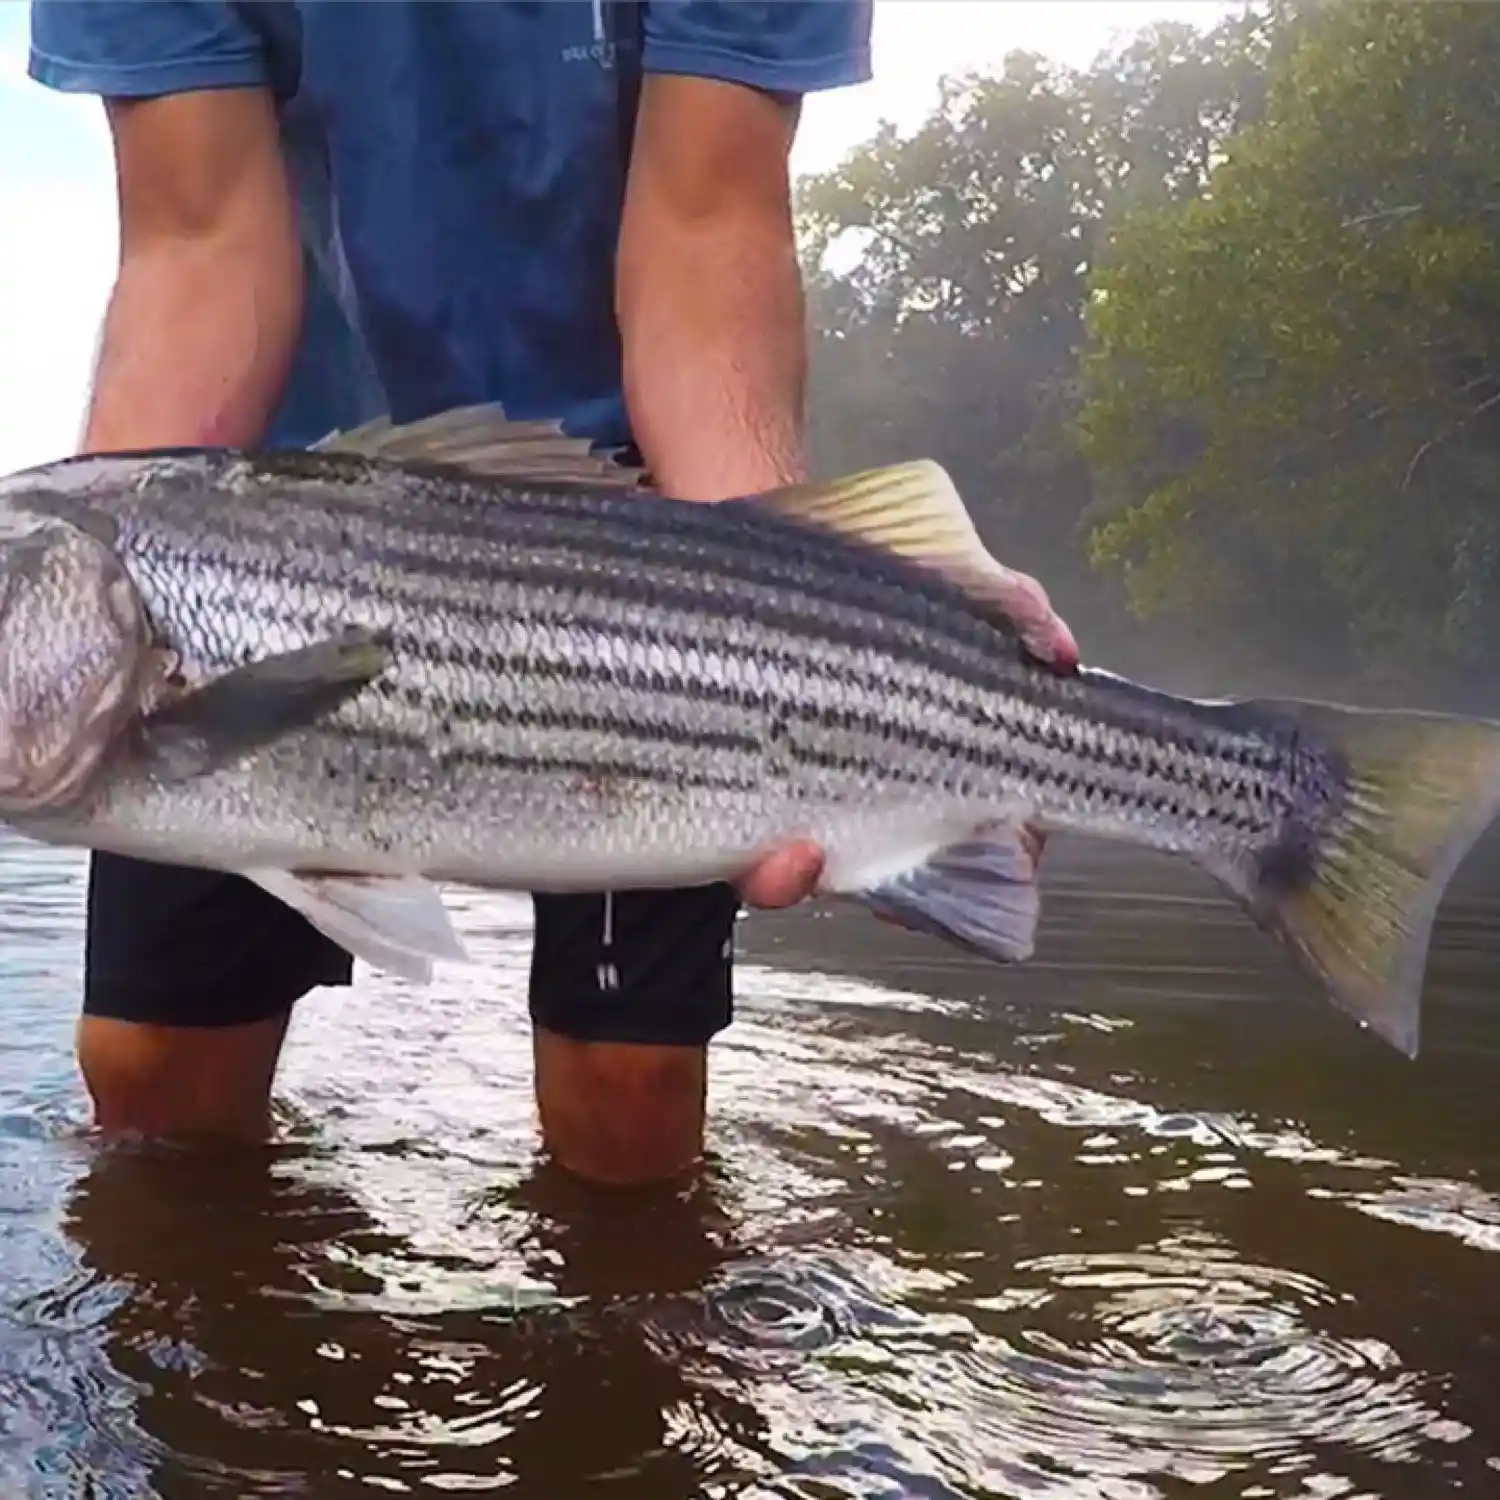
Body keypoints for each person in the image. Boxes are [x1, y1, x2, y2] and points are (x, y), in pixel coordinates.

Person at [27, 0, 1075, 1187]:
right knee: (152, 1080)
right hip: (264, 538)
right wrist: (147, 546)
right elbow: (199, 242)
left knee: (630, 1100)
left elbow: (705, 224)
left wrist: (840, 622)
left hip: (639, 538)